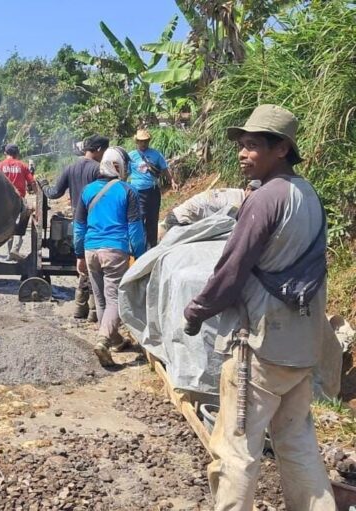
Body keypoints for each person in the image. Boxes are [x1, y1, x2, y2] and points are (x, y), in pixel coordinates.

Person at [182, 105, 335, 510]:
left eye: (252, 146)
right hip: (301, 345)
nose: (242, 154)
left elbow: (230, 270)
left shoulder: (265, 199)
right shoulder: (308, 195)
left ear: (281, 148)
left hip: (261, 346)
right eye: (241, 146)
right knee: (297, 442)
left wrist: (196, 311)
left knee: (236, 449)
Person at [74, 147, 146, 367]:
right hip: (115, 251)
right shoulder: (128, 191)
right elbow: (135, 229)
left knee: (102, 298)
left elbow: (78, 226)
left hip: (91, 250)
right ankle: (103, 340)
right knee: (115, 298)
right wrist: (140, 256)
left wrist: (79, 255)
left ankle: (114, 340)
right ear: (118, 166)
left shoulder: (87, 191)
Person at [41, 134, 110, 320]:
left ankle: (80, 308)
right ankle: (94, 311)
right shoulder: (99, 170)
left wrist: (44, 186)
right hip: (96, 223)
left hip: (77, 223)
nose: (104, 155)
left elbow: (54, 193)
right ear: (97, 150)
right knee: (97, 268)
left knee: (83, 265)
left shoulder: (70, 167)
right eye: (104, 151)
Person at [127, 129, 178, 249]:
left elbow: (164, 169)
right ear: (137, 142)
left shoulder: (156, 154)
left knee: (153, 219)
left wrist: (172, 181)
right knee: (140, 219)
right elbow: (125, 173)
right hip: (137, 192)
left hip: (152, 191)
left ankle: (153, 246)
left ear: (149, 141)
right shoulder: (131, 156)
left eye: (145, 141)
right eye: (140, 141)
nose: (143, 144)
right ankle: (141, 247)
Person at [159, 180, 261, 238]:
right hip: (181, 221)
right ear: (248, 189)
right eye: (255, 193)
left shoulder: (236, 193)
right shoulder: (236, 204)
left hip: (178, 215)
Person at [0, 144, 35, 261]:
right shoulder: (22, 166)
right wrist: (38, 195)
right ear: (17, 153)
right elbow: (32, 182)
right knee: (20, 225)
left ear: (5, 153)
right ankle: (15, 250)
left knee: (8, 226)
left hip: (3, 202)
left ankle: (10, 254)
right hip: (19, 200)